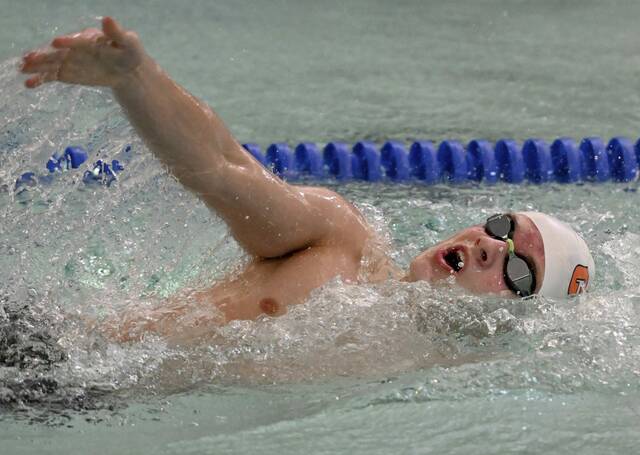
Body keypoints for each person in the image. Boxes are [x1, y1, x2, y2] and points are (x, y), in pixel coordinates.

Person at [19, 18, 595, 342]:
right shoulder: (342, 243)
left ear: (523, 316)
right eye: (504, 226)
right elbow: (222, 169)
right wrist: (135, 77)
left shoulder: (434, 369)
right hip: (47, 361)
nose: (493, 245)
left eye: (521, 270)